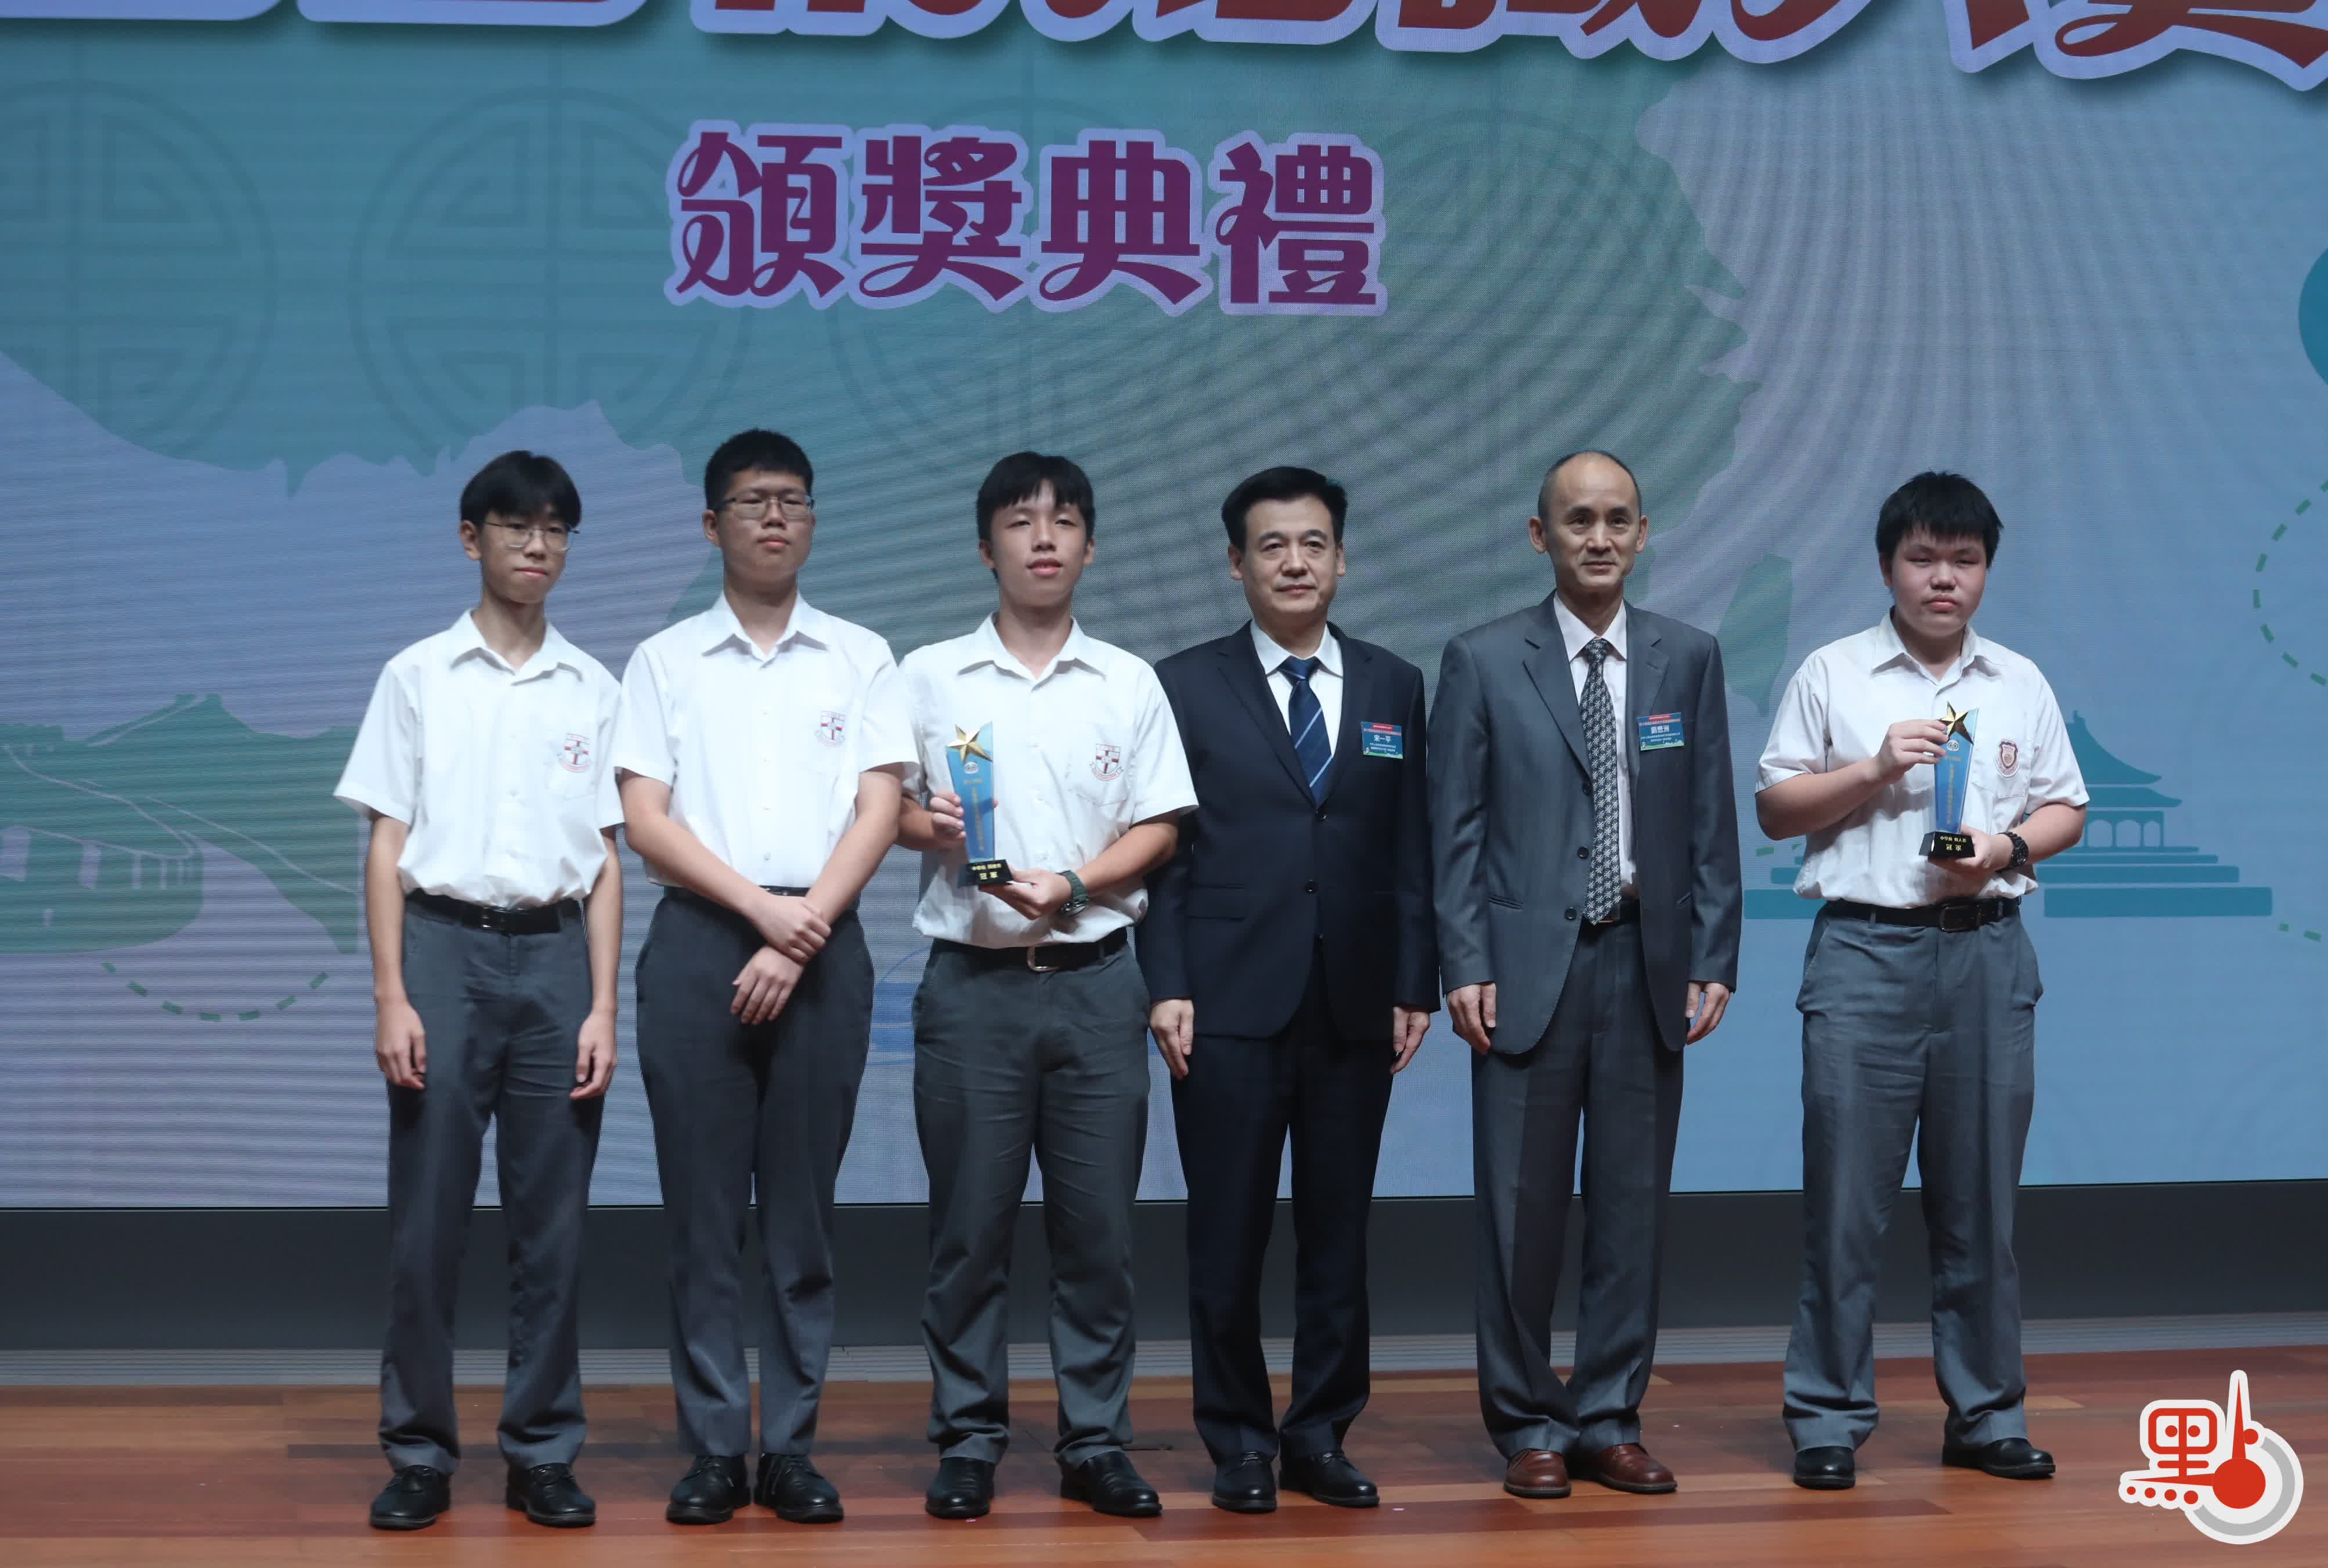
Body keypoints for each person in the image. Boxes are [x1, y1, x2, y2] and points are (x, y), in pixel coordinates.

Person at [1756, 471, 2087, 1492]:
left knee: (1981, 1205)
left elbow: (2067, 808)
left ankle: (1987, 1414)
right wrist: (1870, 770)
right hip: (1866, 954)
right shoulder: (1834, 671)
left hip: (1987, 953)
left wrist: (2005, 848)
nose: (1944, 578)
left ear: (1986, 570)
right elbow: (1775, 807)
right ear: (1887, 565)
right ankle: (1826, 1415)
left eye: (1965, 559)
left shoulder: (2018, 680)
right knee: (1844, 1205)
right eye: (1924, 558)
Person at [1430, 450, 1741, 1501]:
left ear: (1643, 534)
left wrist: (1714, 952)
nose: (1598, 538)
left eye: (1617, 520)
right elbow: (1454, 830)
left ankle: (1609, 1417)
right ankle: (1528, 1421)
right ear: (1540, 536)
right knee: (1519, 1215)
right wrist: (1464, 958)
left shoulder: (1687, 657)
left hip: (1646, 962)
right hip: (1525, 971)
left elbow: (1708, 820)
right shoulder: (1482, 660)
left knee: (1631, 1211)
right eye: (1577, 521)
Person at [612, 429, 910, 1526]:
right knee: (701, 1218)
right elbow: (646, 819)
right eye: (752, 501)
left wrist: (801, 929)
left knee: (802, 1216)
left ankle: (788, 1447)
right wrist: (760, 915)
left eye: (793, 499)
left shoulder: (860, 655)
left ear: (814, 520)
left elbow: (881, 805)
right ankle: (711, 1448)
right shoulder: (664, 660)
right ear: (712, 524)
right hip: (702, 940)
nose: (775, 516)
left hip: (824, 945)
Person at [897, 451, 1196, 1522]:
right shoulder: (929, 675)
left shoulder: (1127, 681)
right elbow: (883, 810)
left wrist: (1074, 882)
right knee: (968, 1232)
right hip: (971, 987)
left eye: (1064, 520)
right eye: (1021, 521)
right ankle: (969, 1438)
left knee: (1097, 1236)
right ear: (986, 547)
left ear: (1090, 546)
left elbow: (1162, 824)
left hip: (1098, 983)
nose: (1043, 537)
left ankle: (1095, 1440)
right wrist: (925, 824)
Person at [335, 450, 623, 1532]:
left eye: (556, 529)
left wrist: (603, 1006)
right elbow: (385, 844)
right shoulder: (417, 676)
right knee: (428, 1222)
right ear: (473, 539)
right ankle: (418, 1450)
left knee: (554, 1226)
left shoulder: (594, 687)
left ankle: (542, 1450)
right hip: (444, 953)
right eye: (516, 526)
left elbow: (606, 861)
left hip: (555, 960)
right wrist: (390, 993)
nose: (537, 546)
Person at [1140, 466, 1435, 1514]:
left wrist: (1415, 979)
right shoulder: (1183, 685)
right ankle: (1237, 1441)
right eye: (1272, 545)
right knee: (1226, 1234)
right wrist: (1166, 983)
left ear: (1342, 558)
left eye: (1314, 543)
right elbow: (1165, 852)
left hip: (1355, 995)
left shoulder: (1396, 684)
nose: (1296, 562)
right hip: (1224, 999)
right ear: (1237, 563)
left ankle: (1318, 1433)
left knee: (1339, 1233)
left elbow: (1410, 845)